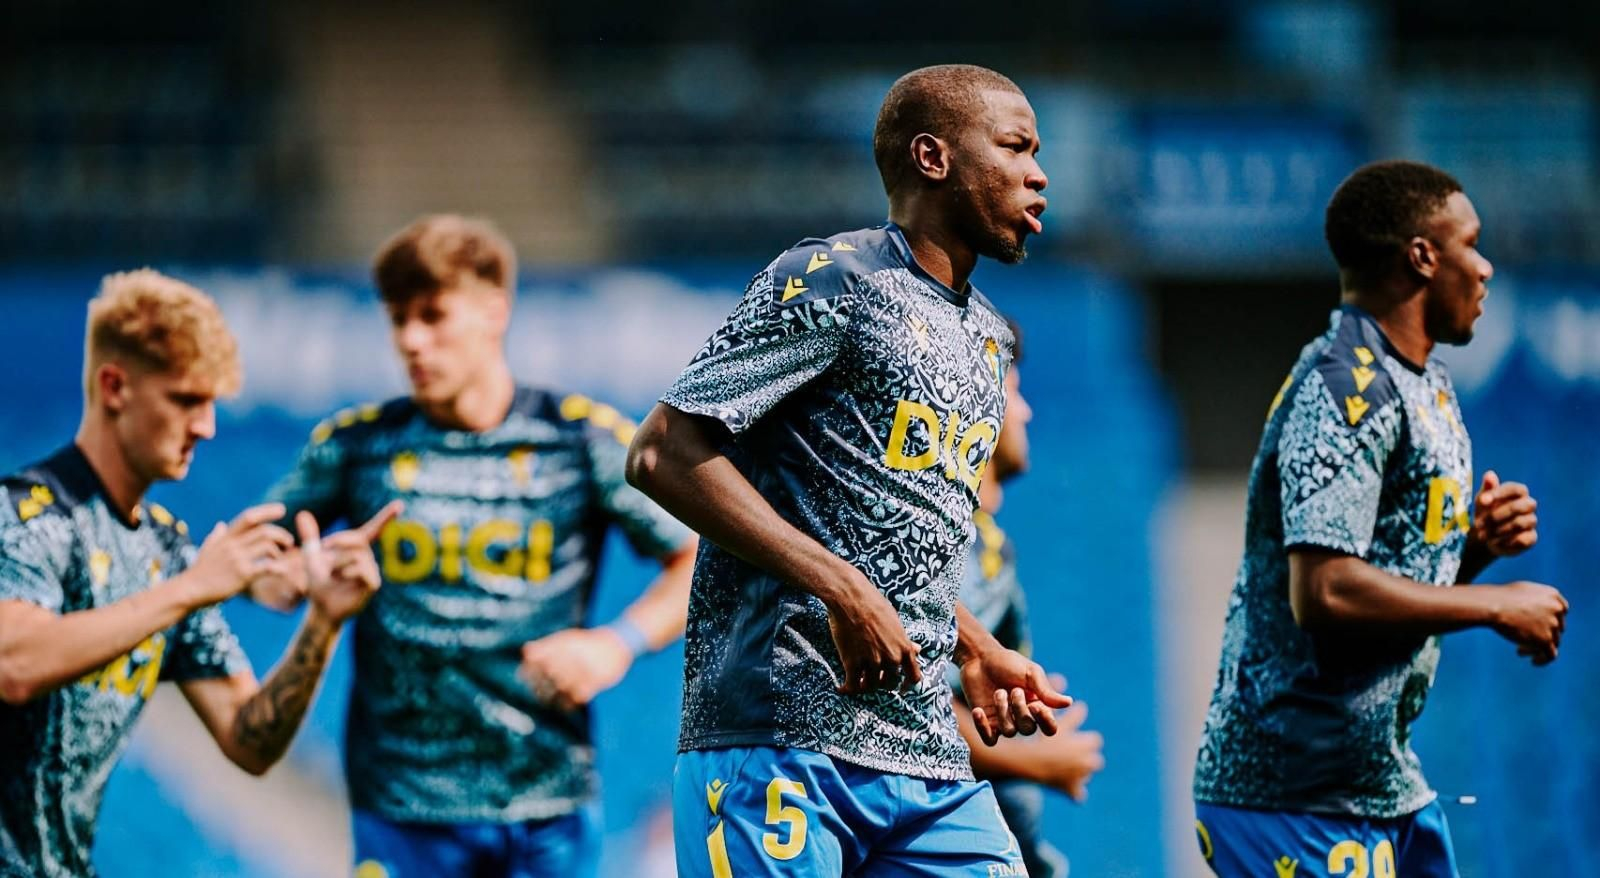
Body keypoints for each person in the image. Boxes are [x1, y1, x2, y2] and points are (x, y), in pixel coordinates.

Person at [627, 64, 1071, 875]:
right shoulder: (834, 279)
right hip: (778, 740)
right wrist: (842, 589)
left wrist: (971, 645)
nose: (1039, 172)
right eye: (1014, 146)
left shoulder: (988, 339)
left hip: (930, 758)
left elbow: (890, 529)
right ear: (933, 158)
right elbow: (663, 452)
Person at [255, 215, 697, 878]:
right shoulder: (355, 445)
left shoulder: (580, 440)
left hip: (545, 801)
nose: (411, 341)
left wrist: (616, 644)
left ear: (494, 311)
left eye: (433, 316)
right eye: (398, 319)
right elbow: (255, 560)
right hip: (402, 807)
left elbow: (696, 559)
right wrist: (287, 582)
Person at [1192, 160, 1569, 878]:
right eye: (1472, 243)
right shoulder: (1345, 388)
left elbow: (1385, 589)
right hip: (1289, 794)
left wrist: (1475, 553)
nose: (1486, 268)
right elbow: (1326, 592)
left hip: (1379, 784)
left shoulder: (1422, 384)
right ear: (1423, 256)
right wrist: (1491, 604)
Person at [0, 269, 394, 878]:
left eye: (211, 404)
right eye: (185, 400)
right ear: (114, 387)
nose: (206, 427)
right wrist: (188, 590)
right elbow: (14, 665)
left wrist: (324, 620)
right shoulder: (25, 517)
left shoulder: (167, 551)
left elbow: (250, 740)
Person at [952, 318, 1104, 878]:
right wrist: (1037, 758)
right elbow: (899, 702)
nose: (1027, 412)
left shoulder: (989, 541)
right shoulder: (944, 539)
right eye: (1015, 392)